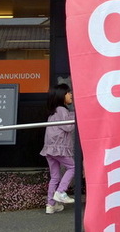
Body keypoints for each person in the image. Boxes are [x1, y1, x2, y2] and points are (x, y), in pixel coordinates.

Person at [40, 83, 75, 214]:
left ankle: (50, 205)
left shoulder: (54, 111)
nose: (71, 95)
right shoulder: (62, 110)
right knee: (73, 167)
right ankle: (61, 192)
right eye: (68, 92)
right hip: (58, 147)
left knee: (55, 176)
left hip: (49, 148)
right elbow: (68, 127)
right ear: (61, 95)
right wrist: (76, 116)